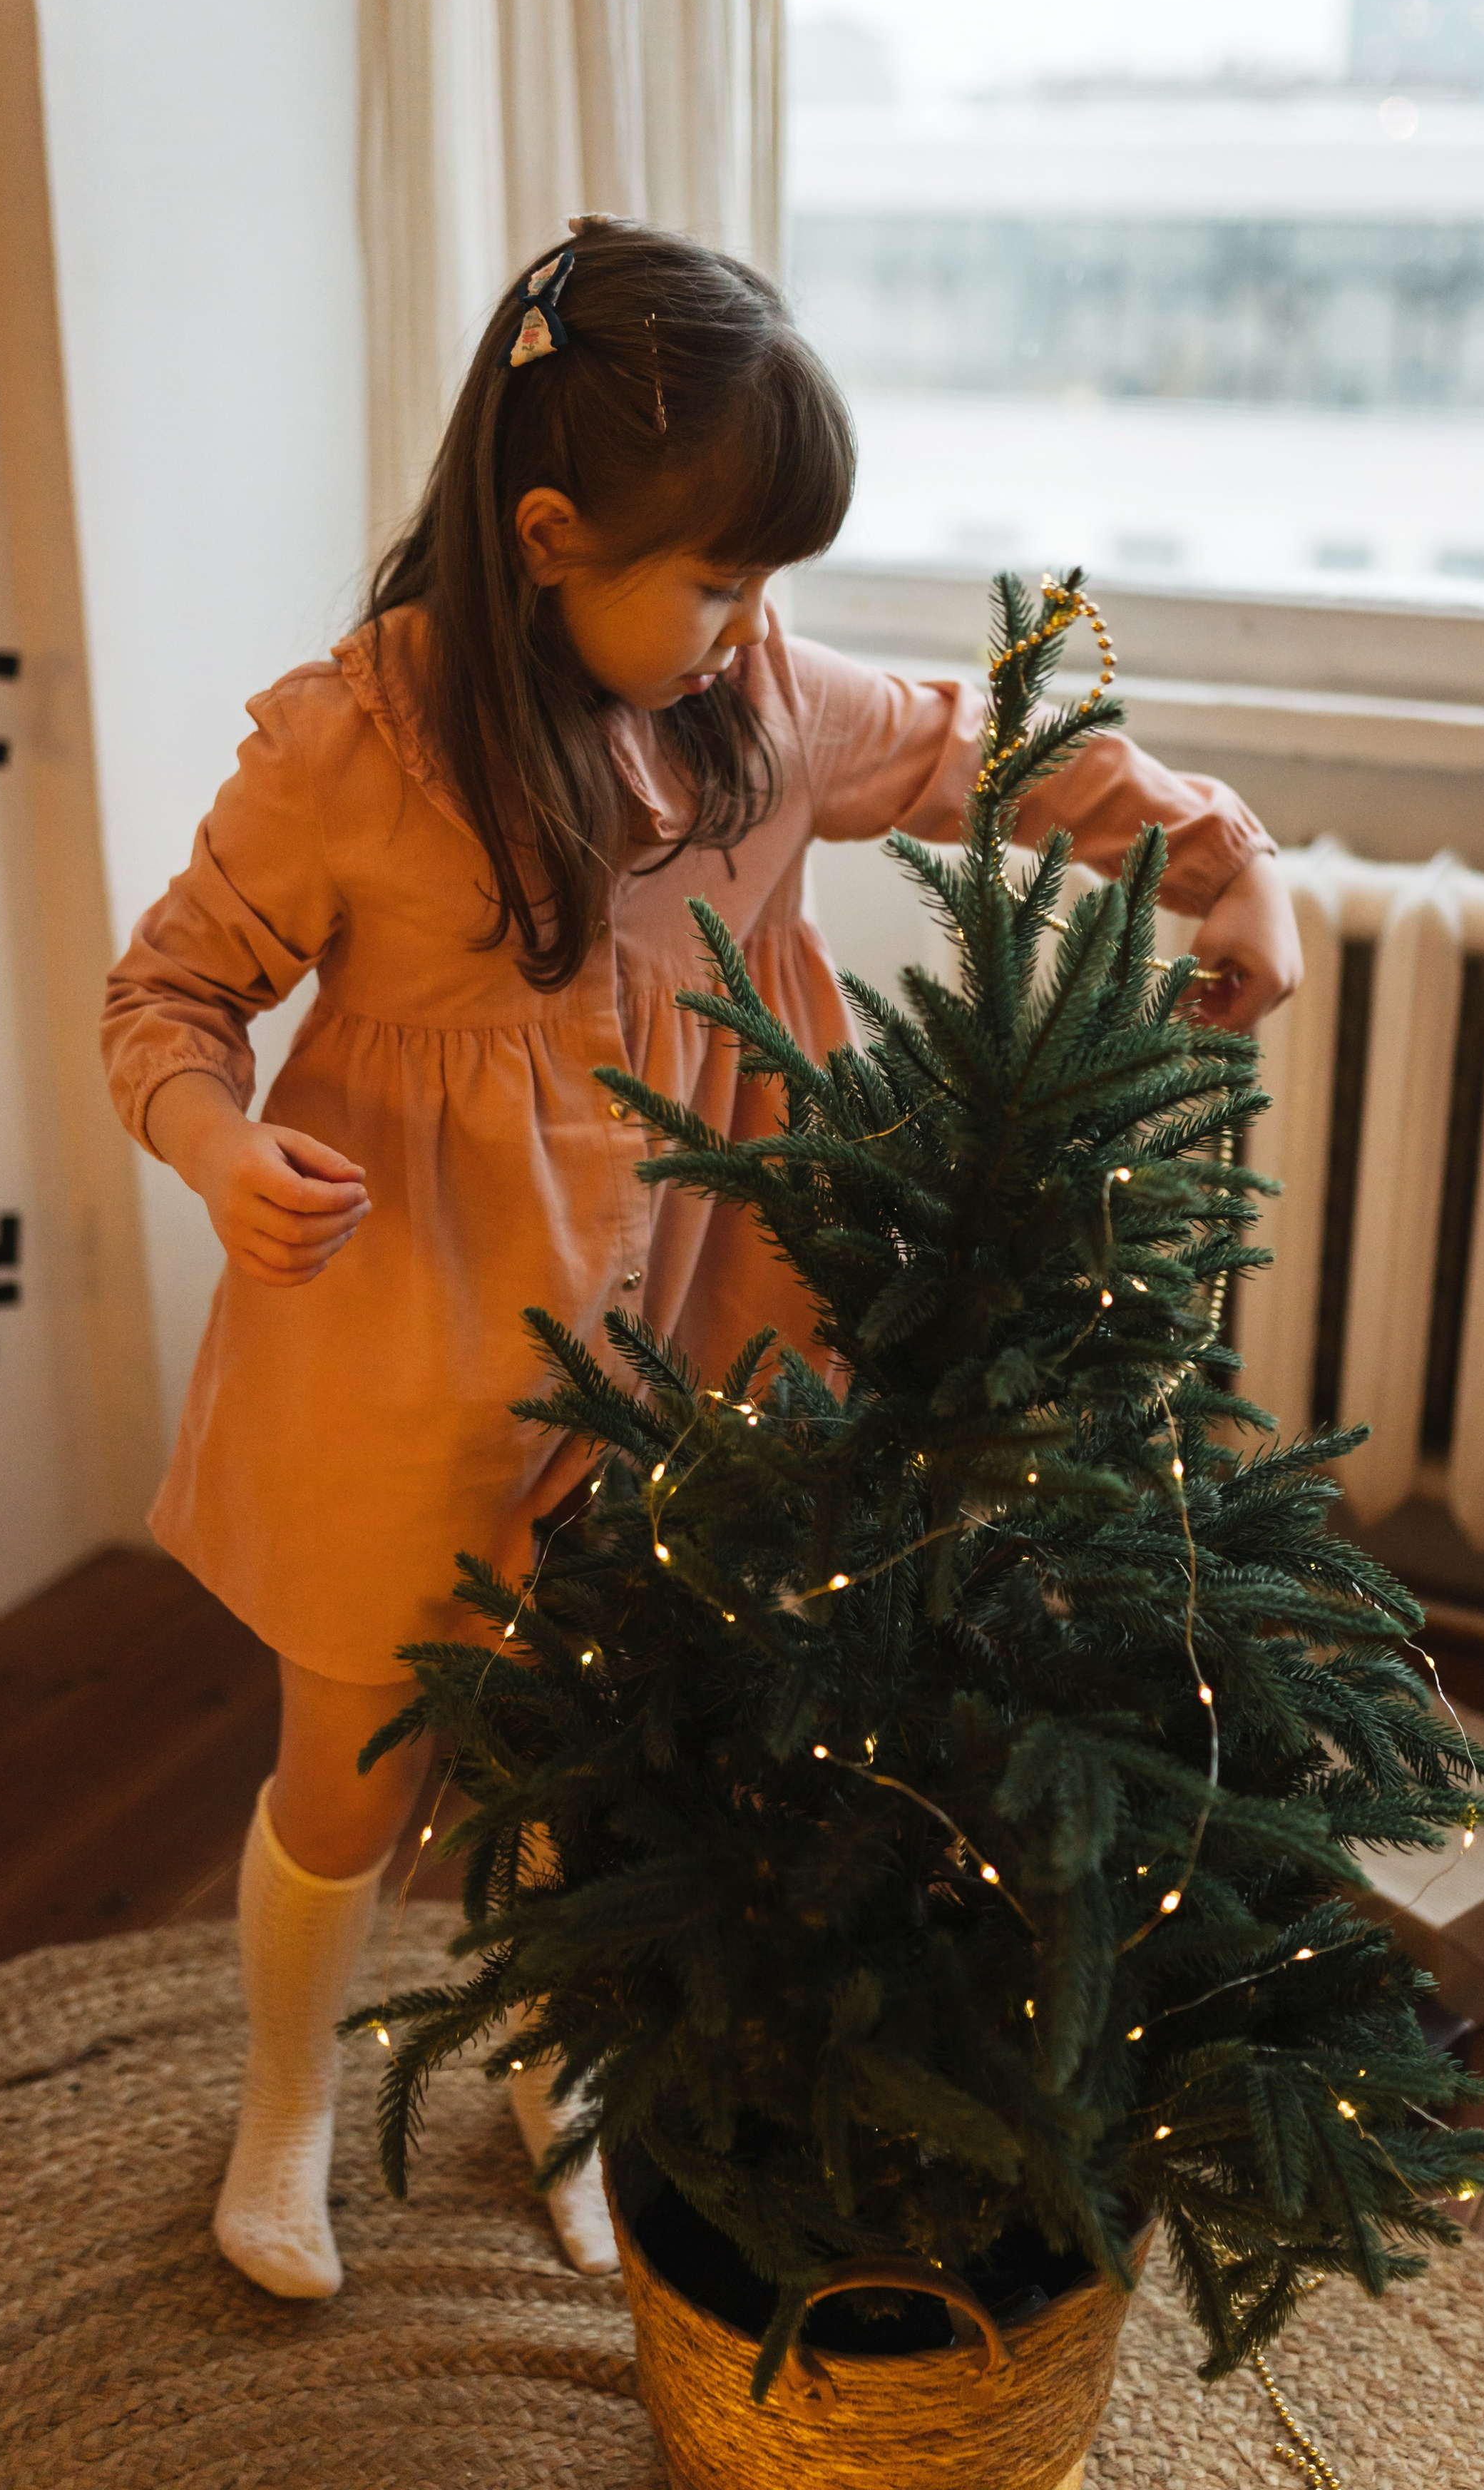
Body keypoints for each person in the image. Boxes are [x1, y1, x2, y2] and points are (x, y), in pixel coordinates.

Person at [101, 220, 1302, 2305]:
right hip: (406, 1339)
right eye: (724, 580)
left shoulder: (757, 707)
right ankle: (289, 2100)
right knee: (353, 1757)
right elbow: (167, 996)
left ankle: (564, 2085)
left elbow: (989, 751)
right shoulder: (357, 752)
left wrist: (1226, 855)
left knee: (623, 1737)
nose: (757, 626)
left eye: (773, 586)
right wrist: (219, 1149)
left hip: (692, 1355)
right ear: (550, 536)